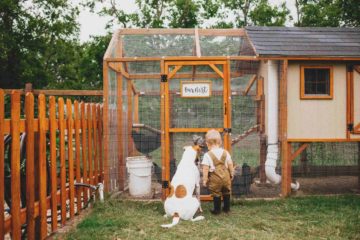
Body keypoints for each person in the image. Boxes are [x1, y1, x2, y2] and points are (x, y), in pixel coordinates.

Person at [202, 129, 234, 214]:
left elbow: (205, 169)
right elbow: (230, 164)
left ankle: (217, 210)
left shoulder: (207, 155)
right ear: (220, 142)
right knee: (226, 191)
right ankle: (226, 209)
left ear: (207, 143)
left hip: (215, 178)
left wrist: (205, 179)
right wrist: (232, 173)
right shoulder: (225, 152)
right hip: (226, 177)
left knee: (216, 193)